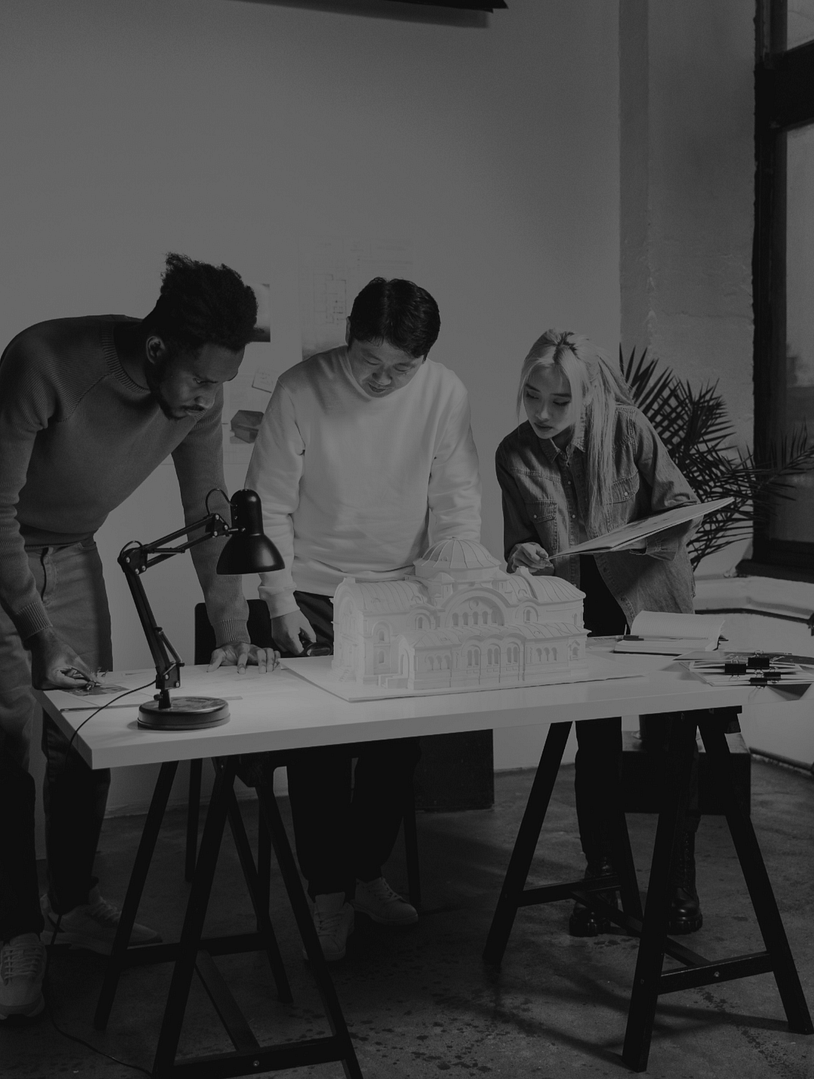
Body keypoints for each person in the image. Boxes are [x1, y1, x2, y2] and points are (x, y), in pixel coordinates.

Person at [0, 253, 276, 1022]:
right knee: (8, 741)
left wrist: (233, 629)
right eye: (201, 379)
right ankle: (14, 931)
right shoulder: (43, 361)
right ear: (156, 348)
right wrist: (37, 630)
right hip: (3, 545)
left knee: (83, 735)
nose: (209, 398)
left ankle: (72, 903)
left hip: (72, 548)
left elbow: (209, 513)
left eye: (223, 382)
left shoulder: (200, 395)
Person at [246, 277, 481, 961]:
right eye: (369, 361)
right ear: (348, 335)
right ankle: (328, 894)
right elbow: (268, 504)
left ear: (424, 359)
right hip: (315, 591)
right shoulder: (301, 389)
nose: (382, 380)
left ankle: (365, 873)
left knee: (396, 747)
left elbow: (456, 500)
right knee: (320, 750)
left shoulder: (444, 393)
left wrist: (455, 586)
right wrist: (280, 601)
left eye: (401, 369)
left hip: (404, 590)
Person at [495, 328, 705, 937]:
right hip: (580, 614)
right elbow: (517, 541)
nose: (542, 413)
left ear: (587, 396)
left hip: (653, 604)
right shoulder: (514, 453)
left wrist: (644, 537)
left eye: (559, 401)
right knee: (596, 750)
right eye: (532, 396)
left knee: (674, 745)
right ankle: (604, 879)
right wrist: (522, 552)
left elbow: (682, 505)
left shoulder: (629, 429)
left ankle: (678, 882)